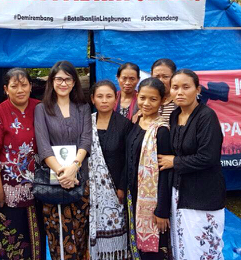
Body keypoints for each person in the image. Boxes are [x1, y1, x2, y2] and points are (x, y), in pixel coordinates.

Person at [158, 69, 226, 260]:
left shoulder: (206, 117)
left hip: (203, 194)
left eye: (186, 87)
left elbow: (208, 157)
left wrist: (174, 162)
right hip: (180, 192)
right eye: (175, 87)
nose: (179, 92)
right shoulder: (175, 115)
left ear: (197, 90)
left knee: (203, 249)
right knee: (182, 246)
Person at [0, 68, 46, 260]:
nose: (20, 90)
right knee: (12, 242)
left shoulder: (40, 108)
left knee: (37, 242)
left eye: (24, 85)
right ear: (6, 89)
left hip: (39, 188)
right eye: (14, 86)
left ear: (30, 86)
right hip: (9, 191)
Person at [35, 60, 92, 260]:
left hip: (79, 180)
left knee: (79, 232)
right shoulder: (42, 109)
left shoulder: (83, 108)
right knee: (58, 235)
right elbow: (43, 146)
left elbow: (86, 140)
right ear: (52, 81)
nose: (63, 83)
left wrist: (73, 168)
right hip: (54, 181)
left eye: (68, 79)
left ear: (74, 82)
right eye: (59, 79)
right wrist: (61, 172)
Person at [125, 77, 173, 260]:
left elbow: (165, 172)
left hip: (152, 202)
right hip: (133, 197)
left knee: (153, 251)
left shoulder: (161, 131)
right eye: (143, 98)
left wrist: (161, 210)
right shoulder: (136, 123)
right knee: (136, 245)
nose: (146, 103)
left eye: (153, 99)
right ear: (137, 96)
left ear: (161, 100)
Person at [89, 80, 133, 259]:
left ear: (116, 99)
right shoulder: (87, 123)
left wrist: (122, 186)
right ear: (92, 99)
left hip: (115, 189)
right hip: (90, 189)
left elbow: (128, 159)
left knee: (116, 226)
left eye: (109, 96)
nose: (104, 100)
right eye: (100, 96)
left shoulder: (124, 124)